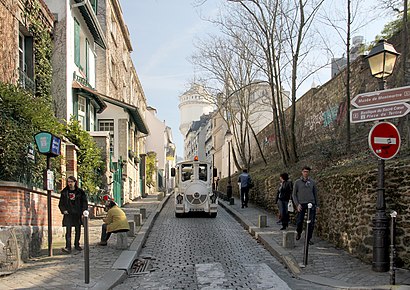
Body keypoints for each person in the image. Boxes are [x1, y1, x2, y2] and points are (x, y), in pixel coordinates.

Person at [58, 176, 88, 253]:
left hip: (77, 213)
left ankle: (77, 245)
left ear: (75, 182)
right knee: (68, 231)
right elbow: (61, 203)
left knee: (78, 230)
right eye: (68, 182)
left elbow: (84, 202)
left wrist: (83, 211)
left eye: (71, 181)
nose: (70, 183)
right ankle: (68, 247)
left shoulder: (80, 192)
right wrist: (63, 210)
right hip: (68, 214)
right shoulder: (64, 192)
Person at [292, 166, 319, 245]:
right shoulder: (297, 182)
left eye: (307, 172)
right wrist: (297, 204)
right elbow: (294, 195)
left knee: (311, 222)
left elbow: (315, 194)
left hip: (311, 203)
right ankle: (299, 232)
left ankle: (308, 238)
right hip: (301, 204)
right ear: (302, 172)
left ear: (309, 173)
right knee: (300, 221)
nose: (305, 173)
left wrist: (317, 205)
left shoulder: (312, 182)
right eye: (304, 171)